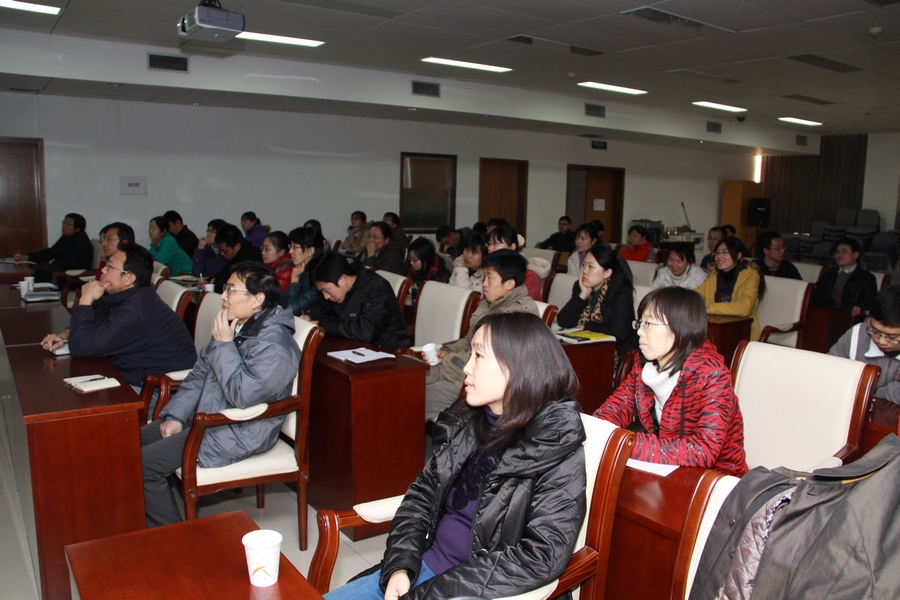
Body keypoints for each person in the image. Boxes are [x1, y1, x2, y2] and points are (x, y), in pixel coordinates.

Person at [325, 311, 586, 600]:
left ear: (518, 366)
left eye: (479, 356)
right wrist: (400, 566)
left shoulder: (553, 443)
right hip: (423, 568)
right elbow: (422, 495)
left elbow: (540, 557)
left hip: (481, 591)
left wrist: (430, 593)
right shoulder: (466, 420)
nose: (467, 368)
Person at [139, 262, 300, 528]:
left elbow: (243, 397)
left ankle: (172, 538)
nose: (223, 296)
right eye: (225, 288)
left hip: (238, 429)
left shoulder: (275, 344)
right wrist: (176, 416)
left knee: (145, 466)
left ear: (257, 299)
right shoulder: (237, 325)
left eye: (231, 289)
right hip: (208, 415)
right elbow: (199, 375)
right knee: (128, 442)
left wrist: (224, 345)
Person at [596, 287, 748, 477]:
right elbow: (615, 408)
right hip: (666, 472)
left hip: (717, 481)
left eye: (648, 324)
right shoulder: (643, 366)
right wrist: (596, 430)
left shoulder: (712, 375)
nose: (640, 332)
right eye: (640, 323)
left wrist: (624, 443)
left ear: (680, 328)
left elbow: (704, 451)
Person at [40, 242, 196, 391]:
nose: (102, 270)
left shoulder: (135, 311)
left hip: (155, 389)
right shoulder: (125, 295)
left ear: (128, 279)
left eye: (110, 267)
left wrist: (85, 299)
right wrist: (64, 336)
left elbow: (81, 347)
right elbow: (94, 322)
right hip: (127, 372)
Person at [425, 250, 538, 421]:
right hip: (456, 368)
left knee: (411, 400)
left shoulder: (519, 316)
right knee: (405, 381)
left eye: (489, 278)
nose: (484, 284)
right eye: (484, 277)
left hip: (471, 384)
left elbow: (494, 361)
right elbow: (469, 340)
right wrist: (447, 351)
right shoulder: (490, 303)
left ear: (509, 283)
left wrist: (450, 358)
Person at [309, 253, 410, 349]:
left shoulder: (377, 289)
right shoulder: (338, 290)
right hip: (354, 346)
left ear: (343, 279)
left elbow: (366, 332)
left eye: (326, 290)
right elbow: (321, 308)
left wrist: (322, 324)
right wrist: (308, 316)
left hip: (386, 349)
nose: (326, 296)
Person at [557, 244, 638, 361]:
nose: (584, 271)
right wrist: (582, 296)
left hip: (617, 353)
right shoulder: (580, 286)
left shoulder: (621, 291)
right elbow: (563, 321)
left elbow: (620, 330)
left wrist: (588, 326)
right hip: (586, 348)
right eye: (583, 265)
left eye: (591, 267)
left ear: (607, 273)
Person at [829, 286, 900, 404]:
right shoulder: (857, 334)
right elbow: (829, 370)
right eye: (875, 331)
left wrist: (875, 392)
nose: (881, 341)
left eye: (892, 337)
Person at [695, 236, 765, 341]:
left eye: (725, 252)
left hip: (742, 330)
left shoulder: (751, 275)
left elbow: (746, 307)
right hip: (716, 327)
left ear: (739, 255)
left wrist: (710, 309)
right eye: (717, 253)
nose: (719, 256)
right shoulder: (714, 274)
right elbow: (697, 293)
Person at [15, 213, 93, 282]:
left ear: (78, 229)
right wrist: (27, 257)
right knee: (41, 269)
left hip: (72, 277)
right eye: (64, 223)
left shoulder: (82, 242)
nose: (64, 226)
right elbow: (51, 252)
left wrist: (52, 265)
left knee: (46, 269)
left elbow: (69, 262)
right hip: (61, 273)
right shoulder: (67, 237)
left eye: (68, 224)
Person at [811, 237, 878, 318]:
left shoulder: (866, 277)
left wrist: (859, 306)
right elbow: (817, 292)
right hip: (825, 311)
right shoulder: (829, 273)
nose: (839, 255)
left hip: (846, 313)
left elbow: (870, 299)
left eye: (844, 252)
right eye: (837, 252)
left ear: (856, 255)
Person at [487, 225, 551, 302]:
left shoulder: (528, 274)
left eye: (496, 243)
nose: (490, 248)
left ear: (512, 246)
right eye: (489, 244)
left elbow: (523, 304)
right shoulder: (491, 269)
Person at [280, 226, 326, 317]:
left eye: (294, 247)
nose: (290, 251)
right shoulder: (301, 270)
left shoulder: (318, 275)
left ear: (310, 251)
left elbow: (293, 310)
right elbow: (281, 303)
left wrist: (294, 281)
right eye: (290, 246)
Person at [212, 224, 263, 293]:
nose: (222, 254)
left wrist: (216, 282)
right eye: (219, 250)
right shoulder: (235, 255)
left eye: (225, 251)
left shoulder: (251, 259)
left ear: (237, 246)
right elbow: (224, 272)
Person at [406, 237, 449, 306]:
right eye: (410, 258)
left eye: (415, 260)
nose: (411, 262)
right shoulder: (413, 270)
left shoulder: (439, 275)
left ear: (425, 259)